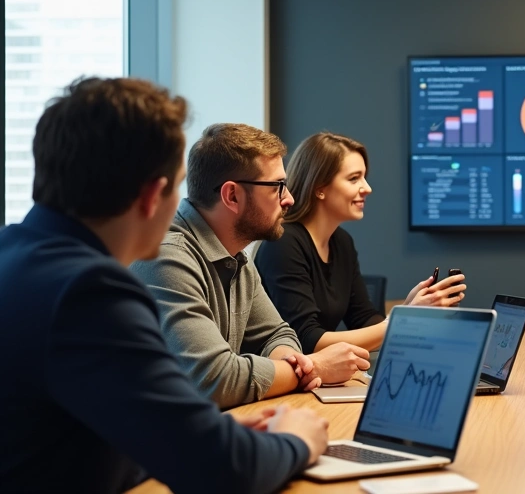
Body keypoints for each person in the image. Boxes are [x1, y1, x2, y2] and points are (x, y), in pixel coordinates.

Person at [0, 78, 328, 493]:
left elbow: (69, 439)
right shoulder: (91, 292)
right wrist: (296, 440)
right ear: (152, 196)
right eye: (177, 186)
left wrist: (196, 435)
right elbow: (222, 471)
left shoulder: (15, 255)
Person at [132, 124, 370, 409]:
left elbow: (278, 334)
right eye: (276, 186)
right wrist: (315, 367)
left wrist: (293, 366)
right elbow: (215, 380)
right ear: (232, 196)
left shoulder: (236, 258)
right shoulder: (166, 258)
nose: (289, 198)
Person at [254, 132, 467, 354]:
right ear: (319, 188)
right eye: (354, 178)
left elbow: (363, 318)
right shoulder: (283, 243)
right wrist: (402, 320)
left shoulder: (342, 242)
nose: (367, 188)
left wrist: (407, 313)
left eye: (364, 177)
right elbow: (307, 340)